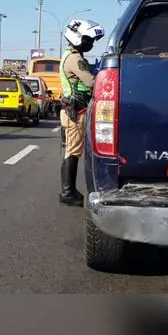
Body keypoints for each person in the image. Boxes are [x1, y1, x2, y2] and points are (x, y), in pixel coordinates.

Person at [58, 18, 105, 206]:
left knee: (73, 150)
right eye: (87, 40)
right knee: (73, 151)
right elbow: (91, 83)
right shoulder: (75, 59)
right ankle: (67, 192)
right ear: (77, 38)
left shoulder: (72, 55)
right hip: (75, 111)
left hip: (75, 109)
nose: (90, 44)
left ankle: (69, 191)